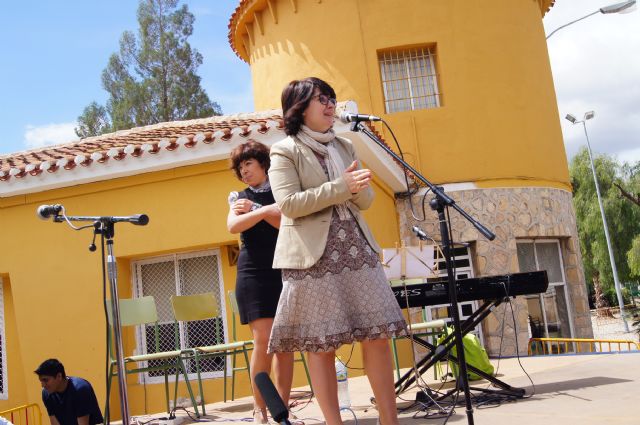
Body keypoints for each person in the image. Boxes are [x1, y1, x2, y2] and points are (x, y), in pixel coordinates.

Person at [267, 77, 408, 425]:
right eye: (321, 99)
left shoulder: (345, 145)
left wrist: (357, 189)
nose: (330, 105)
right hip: (313, 258)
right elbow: (288, 203)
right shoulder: (284, 150)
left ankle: (389, 420)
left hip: (357, 248)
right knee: (321, 345)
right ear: (299, 109)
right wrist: (340, 187)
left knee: (376, 335)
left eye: (331, 98)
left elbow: (367, 200)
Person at [227, 140, 295, 424]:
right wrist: (266, 211)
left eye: (248, 164)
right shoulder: (237, 197)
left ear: (263, 164)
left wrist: (258, 210)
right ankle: (260, 409)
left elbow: (285, 221)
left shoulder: (282, 190)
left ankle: (283, 410)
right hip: (253, 272)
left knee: (286, 344)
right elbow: (233, 225)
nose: (244, 171)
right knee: (264, 341)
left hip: (284, 267)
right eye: (240, 167)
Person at [35, 359, 103, 425]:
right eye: (41, 381)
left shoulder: (80, 389)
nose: (42, 385)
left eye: (45, 380)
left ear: (59, 376)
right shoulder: (46, 394)